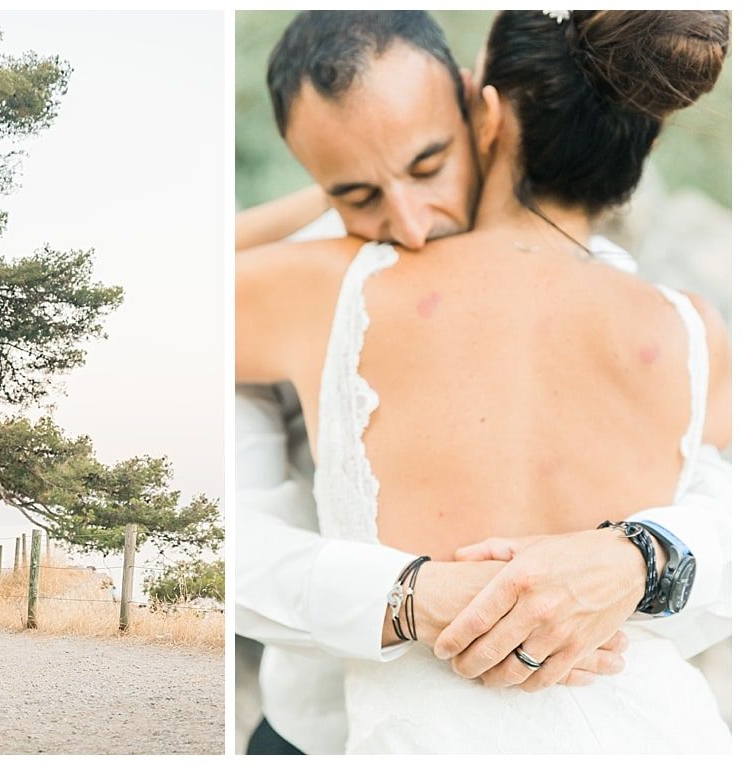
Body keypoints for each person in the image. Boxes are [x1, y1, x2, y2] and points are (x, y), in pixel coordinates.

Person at [236, 10, 732, 755]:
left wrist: (638, 557)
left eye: (428, 165)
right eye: (357, 193)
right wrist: (410, 595)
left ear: (481, 110)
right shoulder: (688, 328)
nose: (407, 222)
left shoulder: (316, 287)